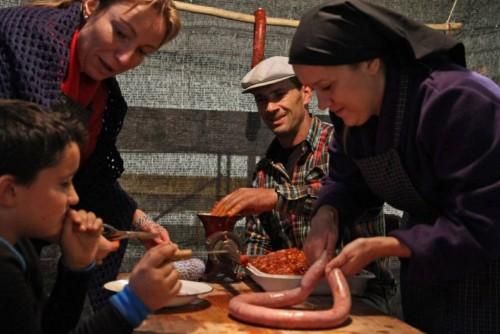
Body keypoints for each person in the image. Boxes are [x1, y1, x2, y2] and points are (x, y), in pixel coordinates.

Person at [289, 0, 500, 333]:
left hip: (487, 272)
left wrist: (390, 245)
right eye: (314, 90)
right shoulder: (352, 117)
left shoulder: (460, 102)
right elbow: (347, 180)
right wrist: (327, 212)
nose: (322, 104)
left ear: (371, 62)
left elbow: (486, 221)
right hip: (428, 272)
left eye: (327, 87)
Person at [0, 0, 181, 309]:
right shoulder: (27, 38)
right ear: (91, 6)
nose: (125, 57)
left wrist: (138, 221)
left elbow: (92, 176)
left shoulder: (105, 97)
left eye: (142, 51)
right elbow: (40, 161)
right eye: (121, 33)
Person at [211, 56, 396, 314]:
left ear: (306, 93)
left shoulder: (341, 143)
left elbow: (355, 195)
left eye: (279, 94)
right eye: (261, 100)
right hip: (294, 293)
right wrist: (236, 258)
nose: (270, 107)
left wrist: (276, 198)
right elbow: (259, 243)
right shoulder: (265, 171)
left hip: (360, 293)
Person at [0, 99, 181, 334]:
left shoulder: (18, 246)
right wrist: (135, 302)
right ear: (9, 191)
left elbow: (51, 328)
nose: (74, 197)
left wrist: (76, 266)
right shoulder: (4, 275)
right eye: (63, 184)